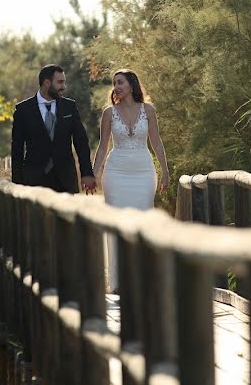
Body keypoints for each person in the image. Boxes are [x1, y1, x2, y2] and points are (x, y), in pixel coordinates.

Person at [92, 69, 170, 291]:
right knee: (116, 224)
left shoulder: (148, 110)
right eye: (114, 83)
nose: (116, 86)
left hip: (144, 173)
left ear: (131, 85)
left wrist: (165, 170)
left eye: (120, 82)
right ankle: (117, 282)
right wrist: (92, 173)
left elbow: (156, 142)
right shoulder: (109, 113)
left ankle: (142, 279)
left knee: (142, 222)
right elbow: (103, 146)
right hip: (116, 173)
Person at [11, 64, 97, 194]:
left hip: (65, 181)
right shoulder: (23, 110)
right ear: (47, 83)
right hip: (33, 182)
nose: (63, 87)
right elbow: (16, 148)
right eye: (60, 82)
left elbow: (81, 142)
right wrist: (17, 183)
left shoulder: (70, 107)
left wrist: (87, 173)